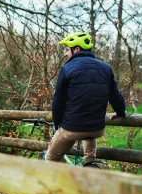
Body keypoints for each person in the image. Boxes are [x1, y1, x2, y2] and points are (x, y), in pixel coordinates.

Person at [47, 32, 127, 163]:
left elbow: (58, 101)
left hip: (72, 128)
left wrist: (57, 126)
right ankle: (91, 164)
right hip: (97, 129)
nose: (65, 54)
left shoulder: (67, 69)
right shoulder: (106, 68)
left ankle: (56, 182)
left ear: (77, 49)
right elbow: (115, 96)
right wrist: (121, 112)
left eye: (67, 50)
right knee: (90, 157)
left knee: (51, 158)